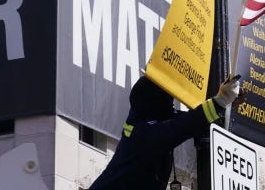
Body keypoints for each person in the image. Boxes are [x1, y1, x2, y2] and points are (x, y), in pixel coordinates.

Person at [88, 75, 241, 190]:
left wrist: (224, 104)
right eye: (169, 100)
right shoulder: (144, 135)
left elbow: (191, 120)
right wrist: (221, 101)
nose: (172, 104)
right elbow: (183, 126)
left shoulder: (145, 115)